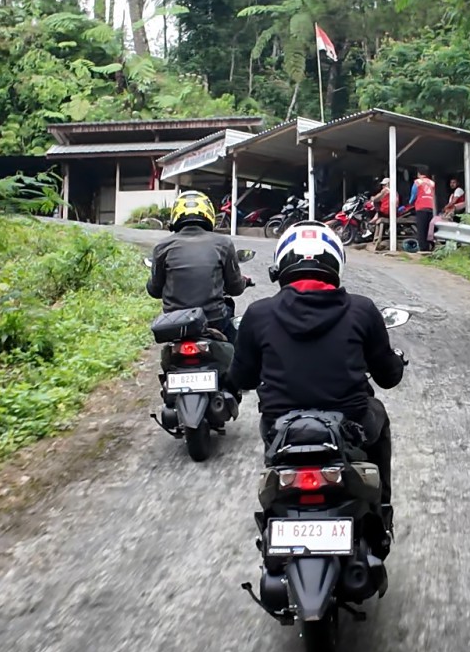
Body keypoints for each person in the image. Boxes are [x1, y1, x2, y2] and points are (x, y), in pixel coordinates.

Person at [229, 221, 407, 504]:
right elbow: (388, 377)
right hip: (352, 424)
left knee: (272, 436)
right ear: (336, 262)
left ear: (281, 264)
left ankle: (277, 495)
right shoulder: (362, 309)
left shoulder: (258, 314)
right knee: (379, 414)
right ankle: (382, 505)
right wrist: (395, 361)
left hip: (281, 426)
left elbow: (241, 379)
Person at [146, 190, 250, 347]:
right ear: (209, 214)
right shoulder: (223, 243)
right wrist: (244, 282)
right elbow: (235, 288)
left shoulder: (162, 246)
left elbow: (154, 290)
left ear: (175, 214)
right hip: (214, 320)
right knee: (234, 330)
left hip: (174, 323)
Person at [409, 165, 437, 252]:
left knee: (421, 228)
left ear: (418, 173)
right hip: (430, 207)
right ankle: (429, 246)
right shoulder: (432, 183)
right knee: (428, 228)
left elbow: (413, 195)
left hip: (421, 207)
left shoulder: (418, 182)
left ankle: (423, 248)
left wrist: (410, 202)